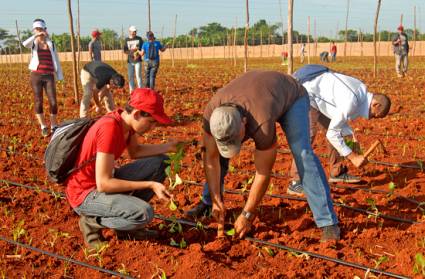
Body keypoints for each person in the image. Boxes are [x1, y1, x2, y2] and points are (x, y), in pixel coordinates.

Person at [185, 70, 340, 242]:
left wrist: (247, 214)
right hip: (259, 93)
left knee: (302, 153)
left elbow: (263, 172)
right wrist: (215, 199)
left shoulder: (262, 123)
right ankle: (208, 204)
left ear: (244, 123)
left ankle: (327, 222)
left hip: (291, 96)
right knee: (217, 155)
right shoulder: (211, 114)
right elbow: (211, 160)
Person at [65, 88, 178, 248]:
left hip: (103, 182)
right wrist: (151, 185)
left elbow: (135, 152)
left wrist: (168, 147)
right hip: (85, 194)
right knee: (144, 213)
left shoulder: (126, 123)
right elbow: (104, 184)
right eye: (151, 122)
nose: (152, 127)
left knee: (160, 163)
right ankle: (91, 222)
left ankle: (127, 228)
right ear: (138, 114)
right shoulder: (109, 128)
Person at [287, 65, 391, 196]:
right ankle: (295, 182)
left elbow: (339, 122)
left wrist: (352, 143)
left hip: (319, 95)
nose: (372, 119)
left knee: (337, 128)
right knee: (308, 134)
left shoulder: (361, 90)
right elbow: (332, 134)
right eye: (376, 115)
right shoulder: (352, 102)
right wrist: (353, 157)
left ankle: (337, 172)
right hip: (306, 91)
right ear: (376, 105)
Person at [23, 18, 63, 137]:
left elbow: (56, 60)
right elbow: (25, 44)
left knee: (53, 102)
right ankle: (43, 126)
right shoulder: (33, 43)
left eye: (41, 29)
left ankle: (54, 125)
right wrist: (36, 36)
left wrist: (59, 76)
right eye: (37, 29)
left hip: (49, 75)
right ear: (34, 30)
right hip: (36, 75)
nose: (39, 31)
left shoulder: (51, 44)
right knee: (38, 101)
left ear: (45, 29)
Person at [123, 26, 143, 92]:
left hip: (138, 60)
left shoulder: (139, 39)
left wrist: (138, 54)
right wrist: (131, 54)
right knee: (130, 76)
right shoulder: (127, 40)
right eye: (133, 31)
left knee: (138, 76)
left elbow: (142, 49)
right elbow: (125, 50)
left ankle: (140, 90)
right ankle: (132, 91)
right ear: (130, 31)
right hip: (130, 61)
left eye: (135, 31)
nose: (134, 33)